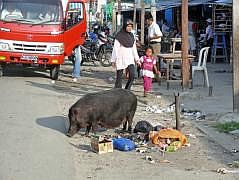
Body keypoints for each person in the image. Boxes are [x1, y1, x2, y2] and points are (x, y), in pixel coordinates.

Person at [111, 19, 139, 90]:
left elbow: (134, 48)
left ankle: (127, 90)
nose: (129, 28)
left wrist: (137, 59)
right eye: (128, 26)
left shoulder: (132, 36)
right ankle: (118, 92)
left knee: (132, 75)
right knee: (119, 78)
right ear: (124, 26)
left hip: (130, 58)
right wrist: (113, 60)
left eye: (131, 26)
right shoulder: (119, 36)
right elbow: (115, 49)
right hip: (120, 58)